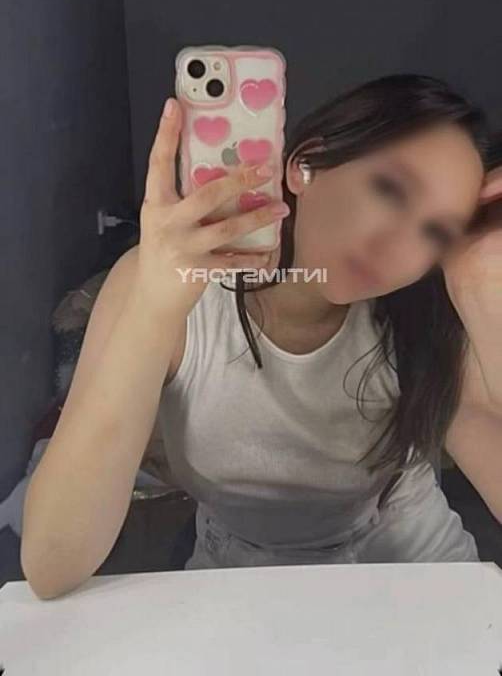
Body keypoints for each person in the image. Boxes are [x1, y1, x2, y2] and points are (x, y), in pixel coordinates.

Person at [21, 74, 502, 597]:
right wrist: (153, 309)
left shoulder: (425, 315)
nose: (397, 248)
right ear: (305, 165)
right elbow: (51, 566)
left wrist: (480, 284)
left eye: (434, 233)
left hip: (413, 571)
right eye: (389, 190)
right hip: (240, 579)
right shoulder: (164, 285)